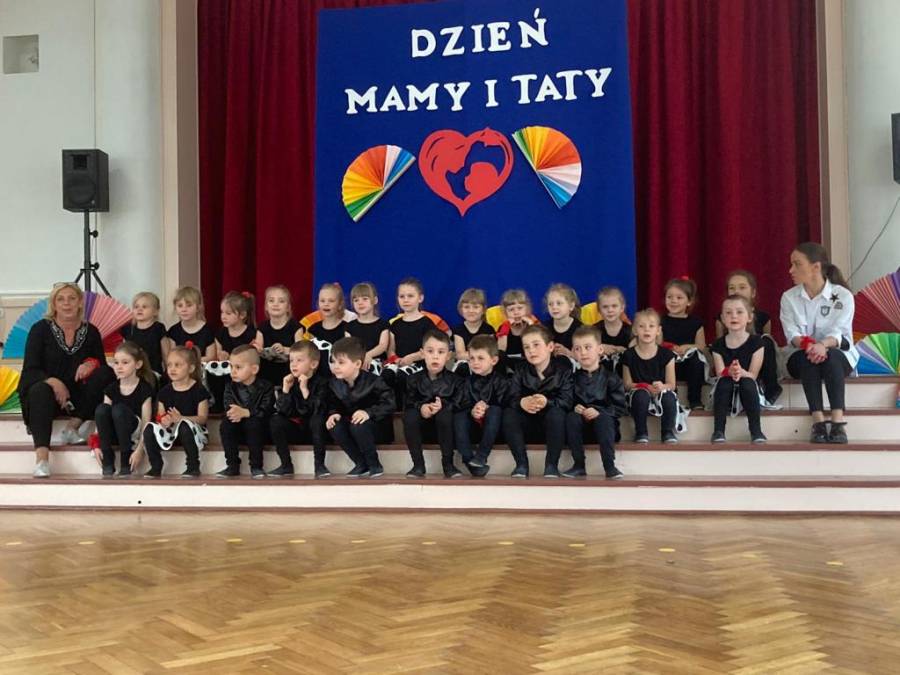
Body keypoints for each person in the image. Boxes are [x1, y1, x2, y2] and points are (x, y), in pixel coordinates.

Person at [18, 282, 116, 477]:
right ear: (54, 304)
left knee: (106, 374)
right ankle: (42, 460)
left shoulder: (91, 331)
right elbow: (30, 370)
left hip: (79, 398)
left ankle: (72, 428)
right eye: (60, 299)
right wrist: (53, 382)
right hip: (47, 396)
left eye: (72, 298)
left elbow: (102, 366)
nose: (66, 303)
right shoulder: (40, 329)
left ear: (80, 303)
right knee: (40, 390)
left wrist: (92, 364)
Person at [780, 242, 858, 443]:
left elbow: (839, 333)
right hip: (802, 352)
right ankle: (818, 422)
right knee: (808, 360)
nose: (791, 270)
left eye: (797, 264)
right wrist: (811, 346)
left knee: (832, 358)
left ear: (816, 267)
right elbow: (792, 333)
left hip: (836, 352)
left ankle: (838, 422)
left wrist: (822, 345)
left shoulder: (843, 296)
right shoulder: (789, 298)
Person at [504, 324, 574, 478]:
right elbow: (510, 397)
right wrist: (521, 402)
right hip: (527, 426)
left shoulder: (563, 370)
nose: (531, 350)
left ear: (550, 347)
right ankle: (521, 465)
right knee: (509, 414)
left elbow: (567, 401)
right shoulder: (520, 369)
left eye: (536, 345)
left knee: (557, 414)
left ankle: (551, 466)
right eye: (526, 347)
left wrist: (546, 401)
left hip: (553, 428)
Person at [326, 337, 396, 478]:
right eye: (333, 361)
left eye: (341, 362)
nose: (335, 366)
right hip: (353, 427)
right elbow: (332, 404)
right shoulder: (334, 384)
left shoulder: (374, 381)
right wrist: (334, 413)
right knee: (335, 425)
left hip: (378, 427)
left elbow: (390, 403)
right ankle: (360, 463)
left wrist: (368, 413)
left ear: (357, 364)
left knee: (358, 425)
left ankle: (374, 464)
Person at [402, 330, 467, 478]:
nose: (435, 356)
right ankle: (418, 465)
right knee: (410, 416)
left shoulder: (456, 381)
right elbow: (409, 402)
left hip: (446, 430)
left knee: (445, 414)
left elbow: (459, 403)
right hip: (422, 430)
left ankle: (448, 465)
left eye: (441, 352)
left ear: (448, 356)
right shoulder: (412, 379)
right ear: (422, 353)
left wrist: (443, 406)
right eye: (430, 351)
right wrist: (422, 407)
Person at [565, 325, 626, 479]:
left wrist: (600, 412)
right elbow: (565, 401)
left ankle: (610, 466)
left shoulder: (611, 377)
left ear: (600, 349)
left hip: (606, 430)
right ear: (573, 353)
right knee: (571, 417)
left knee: (604, 419)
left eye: (587, 347)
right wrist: (575, 408)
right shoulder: (570, 379)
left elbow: (620, 408)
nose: (583, 352)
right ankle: (579, 465)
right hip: (582, 431)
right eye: (577, 349)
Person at [142, 346, 210, 478]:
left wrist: (181, 418)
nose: (172, 369)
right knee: (149, 429)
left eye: (177, 365)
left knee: (184, 425)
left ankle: (193, 466)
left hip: (193, 433)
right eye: (169, 365)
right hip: (172, 432)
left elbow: (203, 418)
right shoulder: (164, 392)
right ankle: (156, 465)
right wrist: (164, 421)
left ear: (191, 368)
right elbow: (160, 416)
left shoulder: (199, 390)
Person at [716, 270, 782, 404]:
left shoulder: (763, 317)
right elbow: (720, 344)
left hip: (756, 360)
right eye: (732, 288)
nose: (736, 291)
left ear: (753, 293)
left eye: (742, 287)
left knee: (766, 342)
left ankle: (770, 389)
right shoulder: (722, 318)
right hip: (733, 360)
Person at [453, 335, 513, 478]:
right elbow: (460, 403)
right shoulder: (466, 382)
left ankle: (481, 456)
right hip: (473, 429)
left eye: (480, 358)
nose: (475, 362)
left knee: (495, 410)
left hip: (494, 431)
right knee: (459, 416)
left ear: (494, 360)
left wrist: (486, 407)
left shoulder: (502, 381)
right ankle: (468, 458)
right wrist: (472, 411)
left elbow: (505, 403)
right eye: (472, 358)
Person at [710, 296, 767, 444]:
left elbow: (753, 375)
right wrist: (729, 372)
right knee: (724, 383)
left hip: (749, 386)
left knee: (747, 383)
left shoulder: (757, 342)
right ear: (722, 318)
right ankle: (718, 430)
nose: (733, 316)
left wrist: (741, 372)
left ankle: (756, 430)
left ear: (749, 317)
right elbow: (720, 372)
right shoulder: (718, 345)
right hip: (726, 387)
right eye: (728, 313)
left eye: (739, 312)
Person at [270, 341, 331, 478]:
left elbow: (318, 409)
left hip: (318, 431)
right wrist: (285, 390)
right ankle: (286, 465)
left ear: (313, 364)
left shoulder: (323, 382)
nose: (293, 364)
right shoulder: (290, 382)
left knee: (317, 420)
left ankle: (319, 465)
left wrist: (305, 390)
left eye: (299, 360)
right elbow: (283, 411)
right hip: (297, 430)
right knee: (275, 420)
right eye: (291, 360)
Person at [94, 341, 155, 477]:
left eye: (125, 363)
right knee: (102, 409)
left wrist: (140, 450)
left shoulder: (144, 389)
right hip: (115, 431)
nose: (119, 367)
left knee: (119, 410)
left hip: (132, 432)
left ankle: (125, 458)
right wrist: (96, 445)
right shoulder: (111, 389)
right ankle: (107, 458)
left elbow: (146, 423)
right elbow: (101, 418)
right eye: (116, 363)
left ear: (138, 365)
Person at [216, 345, 274, 478]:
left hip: (260, 430)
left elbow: (266, 409)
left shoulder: (266, 386)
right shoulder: (230, 387)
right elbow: (228, 406)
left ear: (254, 369)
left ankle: (256, 466)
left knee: (253, 424)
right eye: (231, 366)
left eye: (238, 367)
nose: (233, 371)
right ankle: (232, 465)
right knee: (226, 425)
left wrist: (246, 412)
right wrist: (234, 413)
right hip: (238, 427)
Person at [621, 309, 679, 444]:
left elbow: (672, 384)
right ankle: (641, 432)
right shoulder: (628, 355)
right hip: (638, 392)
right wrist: (645, 386)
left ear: (658, 330)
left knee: (668, 396)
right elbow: (627, 384)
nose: (646, 329)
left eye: (651, 326)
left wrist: (662, 387)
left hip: (660, 391)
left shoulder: (667, 355)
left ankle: (667, 432)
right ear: (635, 330)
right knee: (641, 395)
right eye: (641, 326)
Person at [209, 290, 262, 412]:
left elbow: (253, 356)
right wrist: (221, 355)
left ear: (242, 315)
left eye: (228, 313)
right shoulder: (221, 333)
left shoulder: (251, 333)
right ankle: (220, 404)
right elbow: (217, 352)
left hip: (244, 373)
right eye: (222, 312)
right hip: (227, 372)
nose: (223, 316)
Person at [660, 277, 707, 410]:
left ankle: (695, 400)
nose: (673, 301)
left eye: (679, 297)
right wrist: (670, 348)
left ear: (689, 301)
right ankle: (670, 398)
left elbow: (701, 346)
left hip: (687, 367)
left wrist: (687, 347)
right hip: (669, 365)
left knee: (697, 360)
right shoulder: (660, 321)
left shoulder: (696, 323)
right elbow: (657, 344)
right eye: (669, 297)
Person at [259, 284, 301, 386]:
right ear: (266, 307)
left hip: (288, 375)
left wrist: (285, 349)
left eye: (281, 301)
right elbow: (258, 351)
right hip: (266, 375)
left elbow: (301, 352)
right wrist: (262, 350)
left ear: (288, 307)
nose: (276, 304)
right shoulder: (262, 328)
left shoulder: (296, 327)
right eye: (271, 300)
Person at [304, 282, 350, 377]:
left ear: (340, 305)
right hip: (317, 379)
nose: (326, 304)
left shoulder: (347, 329)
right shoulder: (313, 329)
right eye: (322, 301)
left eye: (331, 301)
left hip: (338, 378)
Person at [119, 291, 168, 380]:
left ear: (155, 311)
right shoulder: (127, 329)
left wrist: (168, 374)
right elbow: (123, 352)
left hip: (153, 372)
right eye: (136, 307)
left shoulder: (158, 328)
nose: (139, 309)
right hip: (131, 372)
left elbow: (166, 354)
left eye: (144, 307)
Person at [345, 282, 390, 372]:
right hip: (356, 359)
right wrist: (360, 358)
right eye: (356, 300)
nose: (360, 303)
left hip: (377, 361)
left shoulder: (383, 324)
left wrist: (368, 355)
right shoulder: (349, 326)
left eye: (365, 299)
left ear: (375, 300)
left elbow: (382, 346)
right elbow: (349, 347)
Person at [165, 286, 215, 361]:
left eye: (189, 305)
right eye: (180, 306)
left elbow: (211, 357)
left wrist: (190, 362)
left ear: (198, 307)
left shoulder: (208, 330)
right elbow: (172, 356)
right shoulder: (173, 331)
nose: (184, 309)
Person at [594, 286, 632, 375]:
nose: (610, 310)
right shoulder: (593, 331)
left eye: (614, 306)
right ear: (599, 310)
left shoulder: (631, 331)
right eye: (605, 307)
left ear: (622, 308)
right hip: (599, 377)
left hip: (624, 377)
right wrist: (599, 348)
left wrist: (625, 351)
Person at [452, 288, 494, 366]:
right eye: (467, 307)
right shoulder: (458, 330)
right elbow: (460, 355)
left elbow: (491, 352)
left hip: (484, 364)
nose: (471, 311)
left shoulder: (489, 330)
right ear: (461, 309)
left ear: (483, 310)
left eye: (476, 307)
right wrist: (480, 356)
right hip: (465, 365)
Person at [496, 288, 535, 363]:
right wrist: (506, 327)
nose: (516, 313)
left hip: (529, 363)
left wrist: (531, 324)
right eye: (511, 310)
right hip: (508, 363)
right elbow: (501, 351)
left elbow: (536, 347)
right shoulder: (503, 328)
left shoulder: (532, 325)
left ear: (527, 309)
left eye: (520, 308)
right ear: (506, 312)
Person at [544, 283, 581, 359]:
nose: (554, 307)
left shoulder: (580, 329)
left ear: (571, 306)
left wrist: (569, 353)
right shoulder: (543, 328)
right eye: (550, 304)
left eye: (559, 303)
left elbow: (587, 357)